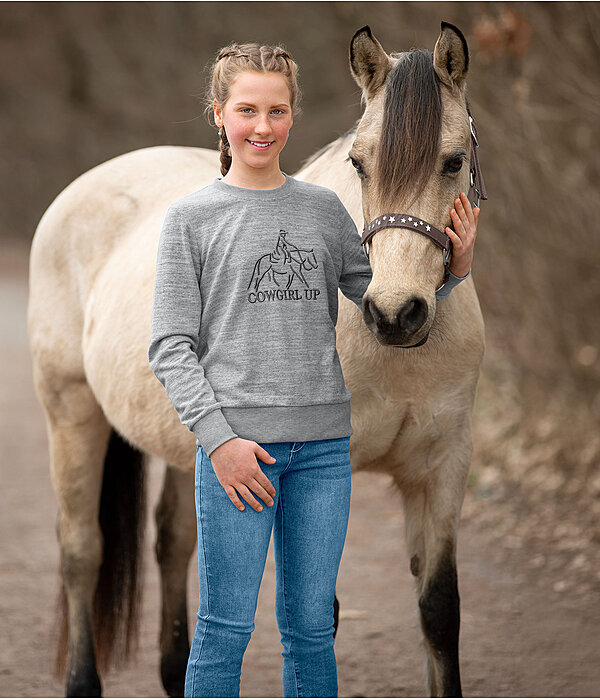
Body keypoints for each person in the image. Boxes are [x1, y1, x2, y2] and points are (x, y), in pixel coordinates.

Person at [148, 42, 479, 699]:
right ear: (219, 116)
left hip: (325, 454)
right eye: (246, 110)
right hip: (241, 453)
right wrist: (219, 442)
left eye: (276, 110)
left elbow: (380, 303)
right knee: (223, 629)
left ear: (294, 116)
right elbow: (169, 347)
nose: (263, 125)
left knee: (308, 629)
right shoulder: (190, 218)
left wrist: (457, 273)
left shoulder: (325, 211)